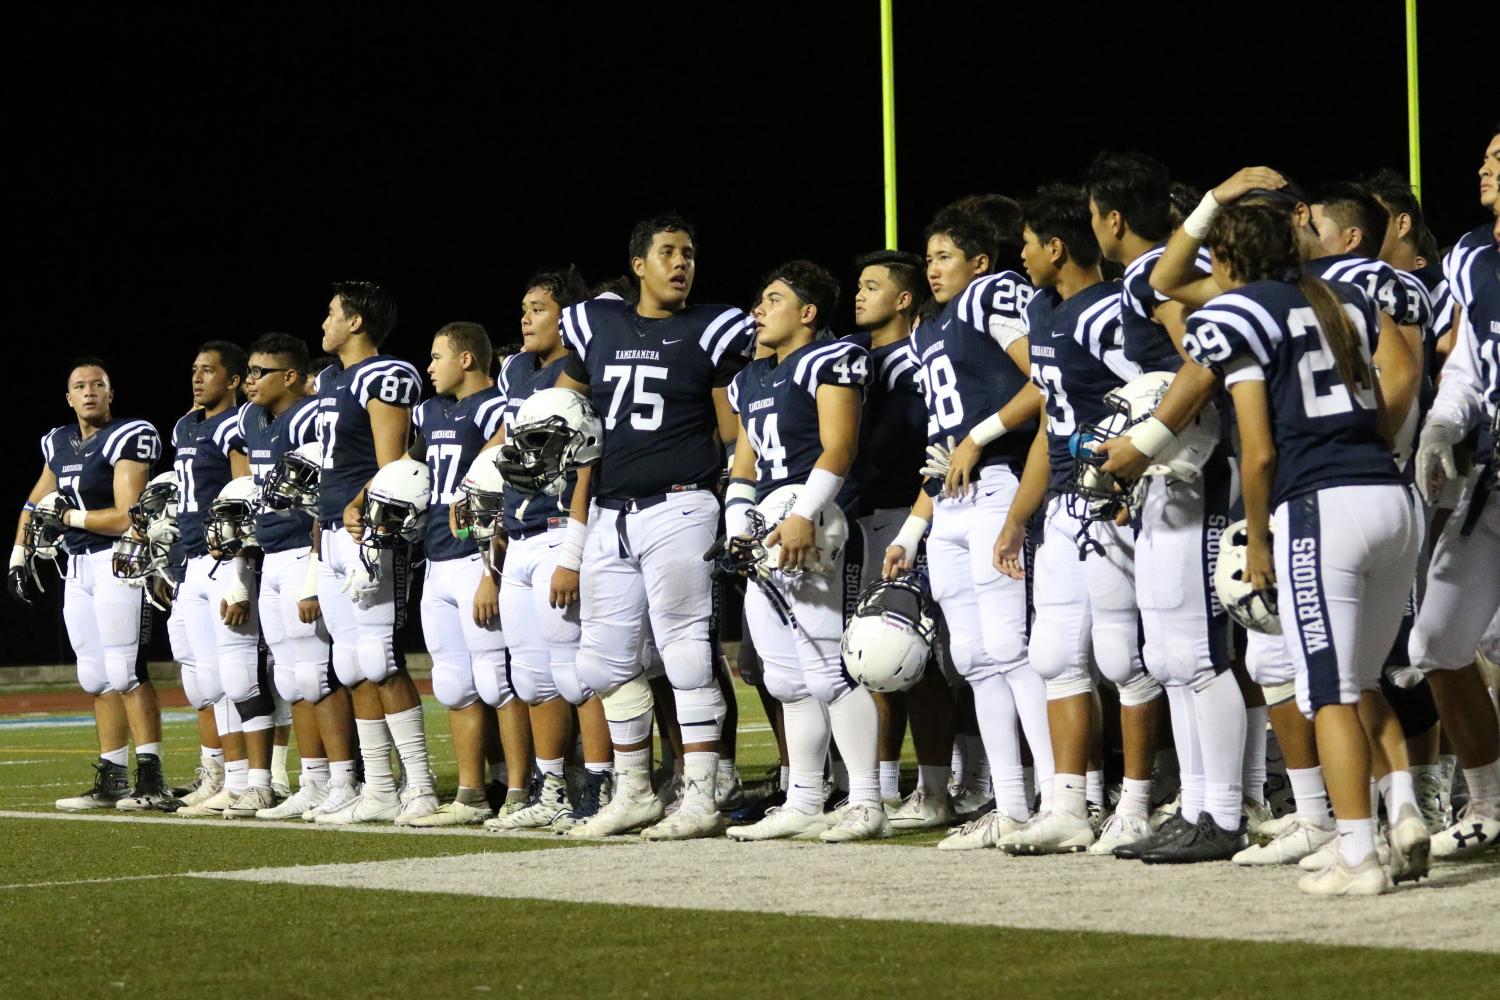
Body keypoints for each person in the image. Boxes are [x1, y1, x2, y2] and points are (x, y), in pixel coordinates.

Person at [1184, 198, 1425, 895]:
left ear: (1226, 259)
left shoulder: (1236, 315)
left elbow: (1257, 453)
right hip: (1389, 495)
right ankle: (1399, 811)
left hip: (1322, 505)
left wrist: (1258, 539)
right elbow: (1381, 407)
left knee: (1330, 692)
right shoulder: (1338, 299)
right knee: (1363, 679)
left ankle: (1358, 856)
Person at [555, 214, 755, 840]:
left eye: (689, 253)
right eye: (668, 252)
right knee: (607, 663)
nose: (681, 263)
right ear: (637, 264)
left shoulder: (715, 327)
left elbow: (733, 429)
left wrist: (740, 497)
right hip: (612, 510)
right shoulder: (597, 323)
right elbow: (564, 410)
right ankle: (635, 791)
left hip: (681, 505)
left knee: (689, 655)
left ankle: (702, 795)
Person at [883, 206, 1052, 851]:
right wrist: (910, 532)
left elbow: (1045, 378)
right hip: (950, 502)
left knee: (1010, 647)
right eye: (928, 257)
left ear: (981, 262)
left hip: (1000, 485)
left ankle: (1061, 796)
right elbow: (940, 450)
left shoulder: (993, 292)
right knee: (975, 660)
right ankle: (1009, 805)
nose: (932, 267)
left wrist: (980, 436)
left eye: (945, 255)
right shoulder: (927, 329)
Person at [992, 184, 1148, 854]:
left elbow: (1153, 396)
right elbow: (1053, 424)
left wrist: (1127, 481)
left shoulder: (1106, 312)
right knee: (1054, 653)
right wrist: (1017, 517)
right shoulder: (1044, 309)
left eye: (1028, 244)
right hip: (1061, 499)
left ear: (1056, 247)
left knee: (1125, 655)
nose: (1022, 256)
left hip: (1113, 495)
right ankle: (1068, 803)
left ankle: (1139, 803)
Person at [723, 260, 887, 843]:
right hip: (769, 523)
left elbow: (839, 447)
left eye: (772, 298)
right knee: (787, 680)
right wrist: (736, 524)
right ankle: (805, 799)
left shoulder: (829, 358)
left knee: (829, 669)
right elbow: (744, 464)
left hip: (818, 521)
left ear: (808, 312)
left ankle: (867, 801)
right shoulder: (749, 379)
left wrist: (802, 513)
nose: (759, 310)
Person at [487, 267, 617, 832]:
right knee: (533, 678)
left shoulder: (582, 367)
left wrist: (574, 549)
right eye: (524, 307)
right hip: (516, 533)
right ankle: (552, 787)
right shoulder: (516, 369)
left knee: (577, 672)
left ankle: (602, 782)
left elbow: (588, 460)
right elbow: (507, 446)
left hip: (559, 527)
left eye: (538, 308)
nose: (525, 318)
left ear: (567, 316)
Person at [11, 359, 165, 810]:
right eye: (80, 386)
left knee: (125, 672)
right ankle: (113, 778)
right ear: (68, 397)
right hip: (77, 566)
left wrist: (69, 518)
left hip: (117, 560)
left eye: (98, 384)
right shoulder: (58, 441)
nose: (90, 391)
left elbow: (126, 516)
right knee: (95, 677)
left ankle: (151, 778)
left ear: (111, 393)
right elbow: (33, 500)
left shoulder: (129, 435)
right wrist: (18, 552)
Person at [313, 281, 438, 825]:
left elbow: (395, 466)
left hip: (370, 529)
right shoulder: (330, 380)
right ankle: (380, 788)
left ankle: (422, 786)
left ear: (357, 322)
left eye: (332, 313)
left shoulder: (382, 375)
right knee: (349, 665)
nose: (324, 322)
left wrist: (359, 509)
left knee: (380, 660)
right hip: (332, 532)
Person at [1409, 128, 1500, 858]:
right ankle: (1487, 801)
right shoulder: (1471, 252)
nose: (1485, 166)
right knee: (1437, 638)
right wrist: (1442, 424)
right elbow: (1470, 361)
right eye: (1487, 155)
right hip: (1491, 483)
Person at [843, 249, 953, 819]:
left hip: (909, 510)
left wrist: (915, 521)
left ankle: (941, 785)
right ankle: (883, 785)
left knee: (924, 657)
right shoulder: (853, 356)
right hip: (864, 515)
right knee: (871, 657)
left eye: (871, 285)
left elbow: (921, 444)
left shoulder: (919, 358)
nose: (858, 295)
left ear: (903, 298)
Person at [238, 332, 359, 820]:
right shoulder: (255, 420)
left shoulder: (309, 416)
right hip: (270, 553)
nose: (247, 382)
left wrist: (313, 571)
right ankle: (314, 780)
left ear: (289, 376)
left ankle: (348, 777)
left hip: (302, 551)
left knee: (317, 674)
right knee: (291, 679)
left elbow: (319, 497)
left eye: (257, 372)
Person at [171, 342, 266, 818]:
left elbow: (243, 495)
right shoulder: (186, 425)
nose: (197, 377)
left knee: (233, 678)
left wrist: (239, 574)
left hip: (221, 560)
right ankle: (219, 775)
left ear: (232, 380)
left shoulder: (237, 424)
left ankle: (243, 779)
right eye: (194, 369)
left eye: (208, 371)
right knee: (205, 680)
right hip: (189, 560)